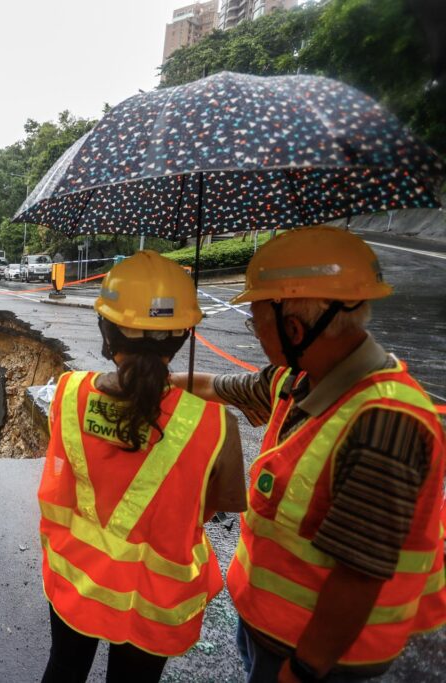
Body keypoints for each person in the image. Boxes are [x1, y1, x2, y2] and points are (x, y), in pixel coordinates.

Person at [172, 226, 446, 682]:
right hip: (270, 630)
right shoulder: (298, 379)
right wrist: (149, 384)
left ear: (294, 327)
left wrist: (303, 670)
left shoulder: (384, 423)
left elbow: (358, 574)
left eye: (255, 322)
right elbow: (215, 387)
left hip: (330, 661)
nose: (256, 335)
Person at [39, 251, 246, 683]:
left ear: (107, 329)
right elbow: (217, 504)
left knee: (63, 671)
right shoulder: (214, 425)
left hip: (77, 582)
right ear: (182, 336)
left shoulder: (68, 393)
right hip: (156, 603)